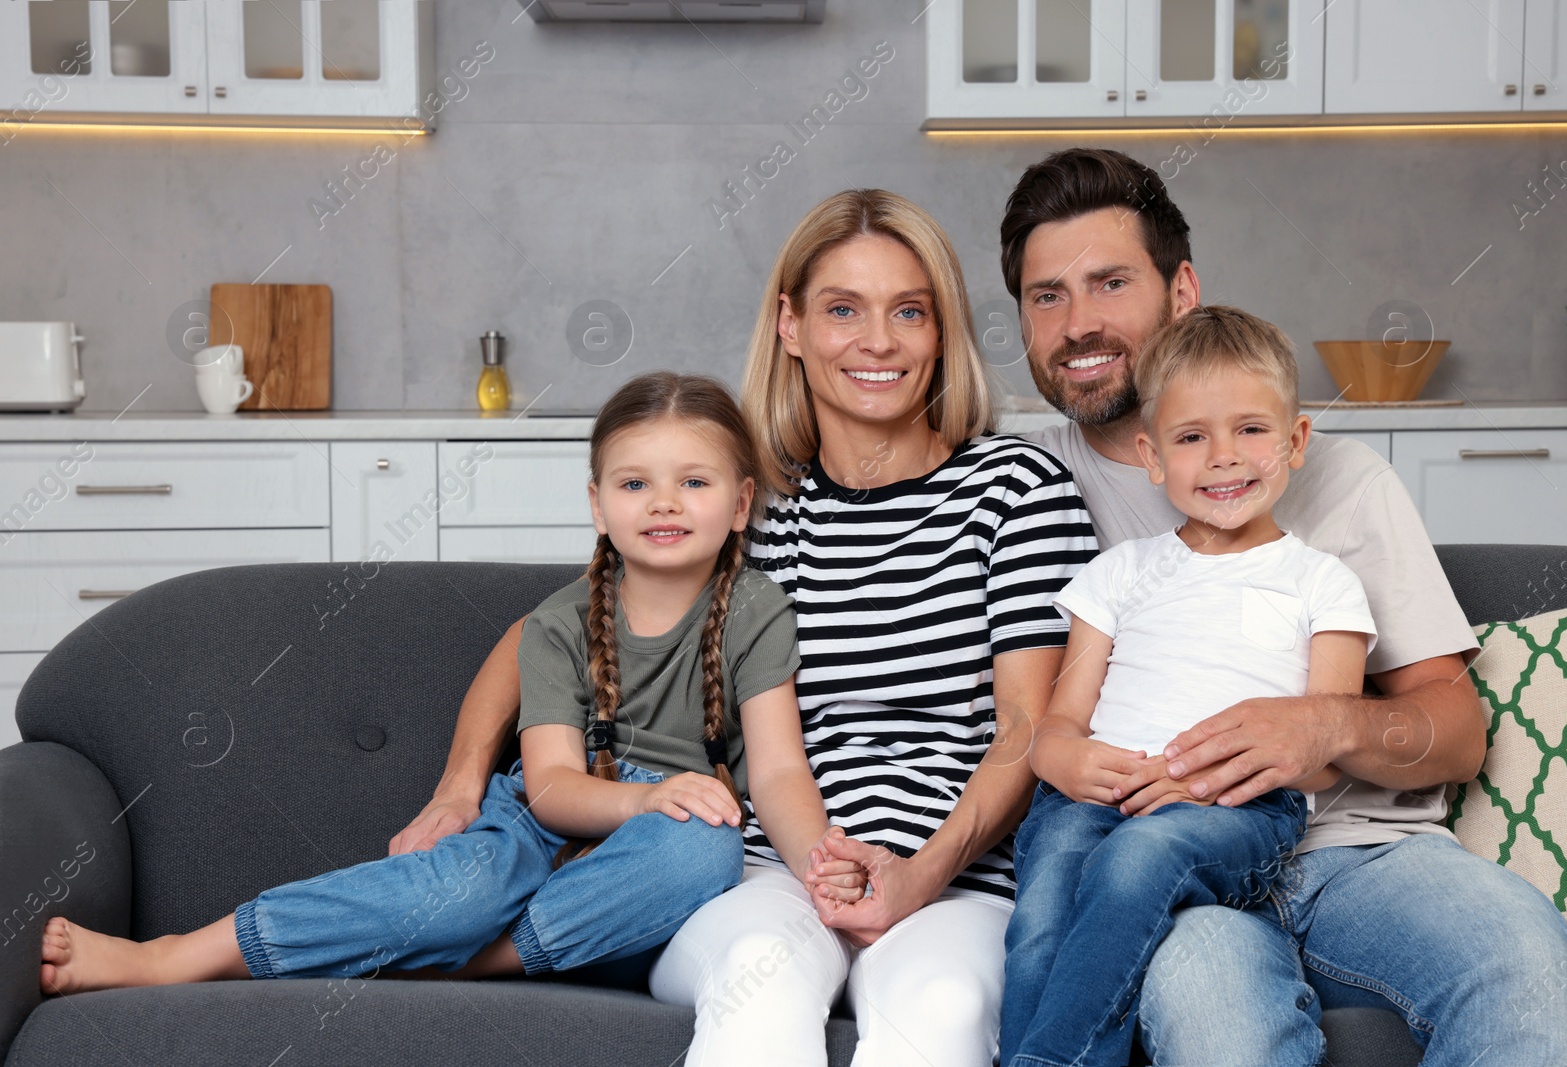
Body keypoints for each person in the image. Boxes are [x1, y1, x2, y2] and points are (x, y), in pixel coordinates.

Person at [1005, 147, 1567, 1063]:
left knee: (1531, 960)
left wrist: (1322, 725)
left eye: (1110, 282)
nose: (1079, 322)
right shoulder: (1020, 486)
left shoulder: (1343, 482)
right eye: (1047, 295)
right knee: (1216, 1013)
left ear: (1180, 288)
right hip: (1174, 871)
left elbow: (1457, 731)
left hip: (1359, 854)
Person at [39, 371, 826, 995]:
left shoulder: (757, 610)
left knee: (708, 849)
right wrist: (641, 795)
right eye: (633, 484)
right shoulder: (559, 624)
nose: (663, 501)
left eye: (694, 481)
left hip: (639, 876)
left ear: (741, 503)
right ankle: (185, 951)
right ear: (596, 504)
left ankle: (471, 961)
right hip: (547, 825)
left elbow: (781, 768)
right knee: (472, 882)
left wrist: (823, 858)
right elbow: (551, 786)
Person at [645, 188, 1095, 1067]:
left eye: (909, 312)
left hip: (963, 881)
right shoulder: (752, 512)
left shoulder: (1018, 489)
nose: (879, 341)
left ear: (942, 331)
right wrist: (463, 779)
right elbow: (561, 627)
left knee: (945, 1001)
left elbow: (1028, 727)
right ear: (791, 325)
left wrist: (917, 876)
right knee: (759, 977)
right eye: (843, 309)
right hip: (772, 872)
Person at [1001, 306, 1375, 1067]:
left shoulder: (1322, 583)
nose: (1223, 458)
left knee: (1139, 858)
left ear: (1296, 441)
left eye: (1251, 430)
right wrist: (1065, 761)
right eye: (1192, 436)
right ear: (1152, 455)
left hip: (1239, 808)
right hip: (1091, 793)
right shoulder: (1119, 574)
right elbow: (1061, 719)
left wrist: (1198, 780)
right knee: (1043, 904)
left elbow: (1325, 753)